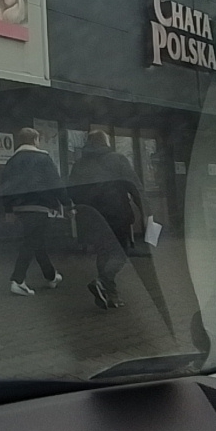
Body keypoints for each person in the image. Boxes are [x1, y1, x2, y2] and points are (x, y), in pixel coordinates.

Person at [68, 129, 145, 309]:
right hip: (116, 214)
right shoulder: (117, 159)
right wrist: (145, 210)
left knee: (103, 252)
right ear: (106, 142)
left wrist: (83, 207)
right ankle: (102, 281)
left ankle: (111, 294)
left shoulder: (79, 164)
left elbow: (72, 191)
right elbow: (134, 187)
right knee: (121, 253)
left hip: (92, 217)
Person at [1, 128, 71, 296]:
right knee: (31, 241)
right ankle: (18, 280)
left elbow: (5, 187)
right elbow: (55, 182)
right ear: (35, 140)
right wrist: (66, 204)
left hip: (20, 207)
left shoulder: (12, 161)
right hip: (39, 206)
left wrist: (8, 209)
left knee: (36, 241)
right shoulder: (43, 158)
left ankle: (51, 276)